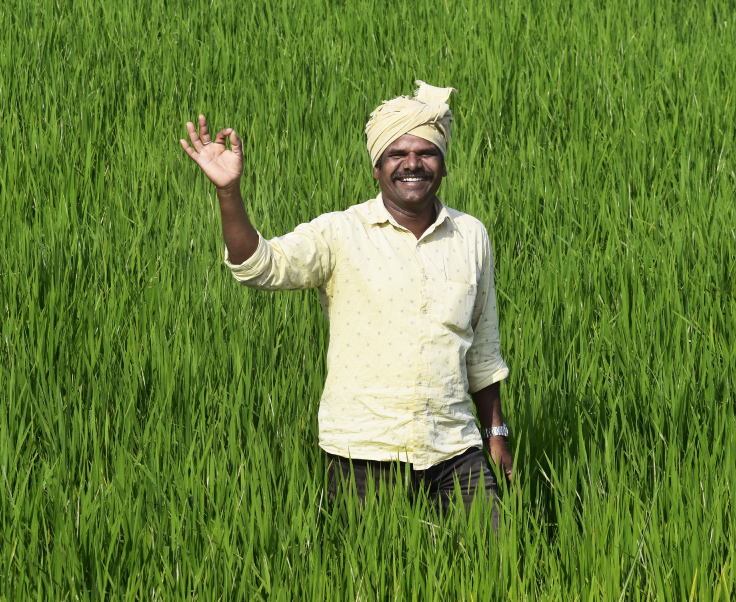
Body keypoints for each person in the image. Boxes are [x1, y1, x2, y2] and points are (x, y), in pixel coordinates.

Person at [180, 81, 512, 529]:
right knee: (371, 577)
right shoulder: (340, 233)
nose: (412, 164)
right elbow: (258, 267)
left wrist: (495, 433)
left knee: (493, 560)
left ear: (444, 164)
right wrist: (228, 193)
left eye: (426, 152)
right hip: (363, 453)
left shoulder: (471, 235)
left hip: (454, 448)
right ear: (376, 167)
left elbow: (483, 351)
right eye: (397, 154)